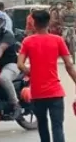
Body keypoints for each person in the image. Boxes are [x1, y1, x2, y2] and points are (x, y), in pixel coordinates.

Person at [18, 9, 76, 142]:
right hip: (55, 93)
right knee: (57, 127)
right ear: (48, 22)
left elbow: (20, 64)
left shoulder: (28, 41)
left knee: (42, 126)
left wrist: (32, 73)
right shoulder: (58, 40)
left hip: (37, 93)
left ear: (34, 23)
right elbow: (69, 65)